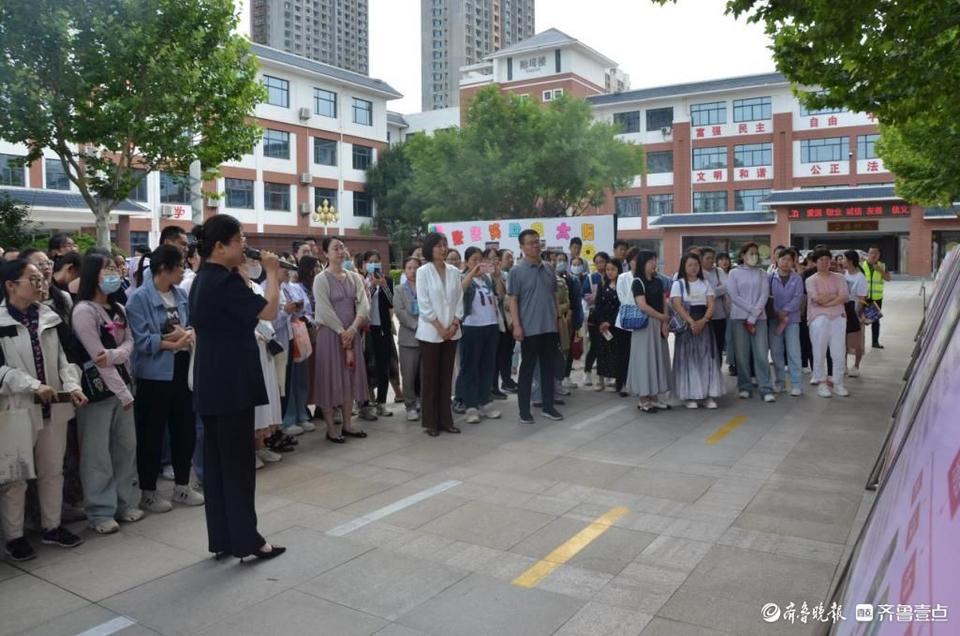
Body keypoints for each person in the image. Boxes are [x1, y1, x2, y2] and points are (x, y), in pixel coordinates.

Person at [188, 215, 285, 561]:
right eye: (239, 239)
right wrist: (272, 272)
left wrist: (245, 280)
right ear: (219, 246)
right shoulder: (224, 283)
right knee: (239, 468)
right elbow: (270, 311)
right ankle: (248, 541)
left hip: (212, 383)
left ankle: (224, 539)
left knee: (217, 468)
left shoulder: (204, 279)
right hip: (232, 385)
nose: (244, 245)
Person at [0, 260, 86, 561]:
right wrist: (32, 385)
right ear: (11, 285)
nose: (40, 284)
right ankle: (15, 536)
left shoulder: (48, 316)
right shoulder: (0, 320)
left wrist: (72, 385)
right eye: (32, 279)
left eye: (41, 279)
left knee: (53, 471)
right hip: (16, 408)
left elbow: (64, 359)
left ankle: (52, 527)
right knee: (16, 476)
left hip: (54, 406)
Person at [125, 245, 203, 513]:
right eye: (180, 266)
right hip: (153, 376)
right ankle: (148, 492)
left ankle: (183, 485)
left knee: (184, 430)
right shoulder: (139, 299)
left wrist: (184, 336)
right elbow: (142, 340)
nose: (184, 271)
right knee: (151, 434)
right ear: (163, 269)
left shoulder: (180, 294)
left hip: (182, 370)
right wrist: (173, 341)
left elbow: (191, 326)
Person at [71, 249, 139, 534]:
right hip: (98, 391)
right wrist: (115, 357)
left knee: (125, 448)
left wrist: (115, 354)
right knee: (96, 453)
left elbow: (129, 344)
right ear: (91, 274)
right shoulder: (83, 311)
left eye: (115, 269)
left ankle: (125, 503)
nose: (113, 274)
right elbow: (96, 358)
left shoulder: (119, 308)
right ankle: (100, 511)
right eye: (106, 269)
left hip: (125, 386)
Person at [312, 236, 371, 442]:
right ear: (325, 253)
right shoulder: (321, 279)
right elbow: (323, 309)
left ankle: (348, 424)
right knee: (329, 379)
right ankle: (330, 428)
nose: (340, 251)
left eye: (342, 247)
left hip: (351, 334)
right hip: (329, 335)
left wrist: (353, 329)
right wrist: (341, 331)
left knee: (349, 379)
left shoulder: (354, 277)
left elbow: (364, 304)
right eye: (335, 248)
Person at [509, 230, 563, 424]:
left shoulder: (549, 268)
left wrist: (557, 319)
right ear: (522, 247)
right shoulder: (517, 271)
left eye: (537, 242)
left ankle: (549, 407)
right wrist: (517, 326)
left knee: (549, 369)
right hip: (529, 328)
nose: (535, 246)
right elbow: (513, 300)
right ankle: (524, 410)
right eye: (530, 243)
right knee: (527, 370)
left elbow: (554, 295)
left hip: (549, 327)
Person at [416, 233, 464, 436]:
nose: (443, 249)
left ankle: (446, 420)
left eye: (445, 245)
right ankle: (431, 422)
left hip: (452, 332)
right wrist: (440, 327)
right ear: (429, 248)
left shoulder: (454, 271)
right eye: (438, 246)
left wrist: (453, 324)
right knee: (431, 378)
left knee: (446, 377)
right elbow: (424, 304)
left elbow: (459, 299)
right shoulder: (423, 271)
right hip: (431, 332)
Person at [670, 252, 724, 409]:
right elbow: (677, 305)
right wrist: (691, 322)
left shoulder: (705, 283)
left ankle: (707, 395)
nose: (693, 268)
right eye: (690, 265)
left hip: (705, 324)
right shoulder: (678, 284)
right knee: (688, 361)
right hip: (687, 325)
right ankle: (690, 396)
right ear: (684, 267)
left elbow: (711, 304)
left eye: (696, 264)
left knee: (706, 359)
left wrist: (704, 320)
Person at [456, 247, 503, 424]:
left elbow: (499, 294)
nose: (477, 263)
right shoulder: (462, 278)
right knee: (470, 367)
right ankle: (471, 405)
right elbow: (459, 292)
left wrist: (497, 276)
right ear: (467, 262)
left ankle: (485, 401)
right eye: (473, 260)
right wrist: (471, 273)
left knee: (487, 366)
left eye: (480, 260)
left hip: (490, 325)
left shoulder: (487, 279)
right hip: (471, 327)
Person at [727, 242, 775, 402]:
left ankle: (765, 387)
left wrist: (754, 315)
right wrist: (751, 310)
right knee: (742, 354)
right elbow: (734, 295)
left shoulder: (762, 273)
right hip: (739, 317)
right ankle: (744, 386)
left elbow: (764, 294)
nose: (754, 256)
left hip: (759, 319)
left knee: (761, 353)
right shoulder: (734, 273)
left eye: (756, 253)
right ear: (742, 255)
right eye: (750, 253)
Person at [626, 251, 672, 412]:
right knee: (644, 360)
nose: (654, 264)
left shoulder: (658, 281)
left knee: (658, 359)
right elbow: (643, 306)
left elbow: (663, 300)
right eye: (651, 261)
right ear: (643, 263)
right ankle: (643, 399)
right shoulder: (637, 282)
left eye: (655, 261)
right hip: (645, 326)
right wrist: (662, 317)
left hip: (659, 323)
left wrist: (665, 320)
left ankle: (654, 397)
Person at [280, 256, 318, 436]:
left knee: (301, 376)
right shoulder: (267, 287)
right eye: (282, 267)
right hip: (283, 338)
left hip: (300, 335)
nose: (287, 271)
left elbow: (308, 310)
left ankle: (302, 413)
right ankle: (288, 418)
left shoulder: (295, 288)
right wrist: (288, 312)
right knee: (288, 379)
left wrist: (304, 317)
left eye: (288, 267)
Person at [806, 249, 850, 398]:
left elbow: (844, 296)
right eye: (821, 260)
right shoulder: (811, 280)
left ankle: (838, 383)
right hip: (818, 318)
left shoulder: (840, 278)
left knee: (838, 352)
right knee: (819, 351)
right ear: (815, 262)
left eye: (827, 259)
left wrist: (826, 300)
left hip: (838, 317)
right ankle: (822, 383)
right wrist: (833, 296)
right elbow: (816, 299)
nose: (825, 262)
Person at [768, 249, 805, 396]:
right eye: (783, 259)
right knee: (776, 353)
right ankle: (780, 383)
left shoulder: (797, 278)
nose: (786, 263)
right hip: (774, 320)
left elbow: (798, 298)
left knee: (794, 352)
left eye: (789, 260)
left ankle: (796, 384)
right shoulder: (770, 277)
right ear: (777, 260)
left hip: (792, 320)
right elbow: (767, 296)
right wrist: (777, 312)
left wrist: (785, 311)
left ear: (793, 262)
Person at [363, 250, 394, 417]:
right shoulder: (361, 281)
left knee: (383, 365)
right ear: (365, 264)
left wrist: (383, 286)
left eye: (377, 261)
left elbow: (392, 303)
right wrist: (372, 287)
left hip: (382, 328)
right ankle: (365, 402)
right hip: (366, 329)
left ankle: (382, 402)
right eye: (371, 261)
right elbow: (360, 303)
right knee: (366, 366)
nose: (374, 264)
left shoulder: (387, 280)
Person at [394, 257, 422, 421]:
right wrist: (415, 325)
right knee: (409, 374)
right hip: (408, 338)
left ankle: (424, 402)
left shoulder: (425, 287)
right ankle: (410, 405)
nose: (413, 271)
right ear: (405, 270)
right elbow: (399, 311)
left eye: (416, 268)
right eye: (409, 268)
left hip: (427, 336)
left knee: (425, 374)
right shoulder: (399, 289)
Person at [591, 258, 625, 393]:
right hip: (602, 326)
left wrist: (610, 322)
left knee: (617, 353)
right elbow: (598, 305)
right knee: (602, 352)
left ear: (618, 270)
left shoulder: (622, 285)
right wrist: (601, 322)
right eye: (608, 269)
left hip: (617, 325)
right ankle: (600, 380)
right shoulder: (601, 285)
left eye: (613, 269)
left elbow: (621, 306)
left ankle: (619, 381)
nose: (610, 272)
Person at [614, 248, 641, 395]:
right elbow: (622, 298)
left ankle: (637, 384)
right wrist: (638, 305)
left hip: (642, 321)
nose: (637, 263)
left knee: (638, 355)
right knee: (623, 354)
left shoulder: (647, 277)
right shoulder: (623, 277)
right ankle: (622, 383)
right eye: (635, 260)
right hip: (625, 321)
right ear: (629, 261)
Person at [556, 252, 583, 391]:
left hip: (569, 320)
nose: (560, 262)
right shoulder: (550, 279)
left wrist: (573, 319)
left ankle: (565, 376)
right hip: (555, 320)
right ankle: (557, 380)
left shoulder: (573, 280)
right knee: (557, 351)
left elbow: (575, 302)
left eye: (563, 260)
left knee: (568, 349)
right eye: (558, 260)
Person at [582, 251, 609, 386]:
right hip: (594, 316)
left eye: (602, 261)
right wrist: (597, 296)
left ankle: (605, 374)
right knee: (595, 345)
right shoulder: (591, 278)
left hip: (608, 316)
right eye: (597, 262)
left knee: (607, 345)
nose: (599, 265)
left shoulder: (612, 277)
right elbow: (586, 295)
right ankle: (587, 371)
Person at [493, 248, 517, 395]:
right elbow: (501, 296)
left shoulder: (509, 275)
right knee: (497, 355)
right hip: (497, 322)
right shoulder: (491, 277)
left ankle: (507, 380)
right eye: (508, 257)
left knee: (508, 352)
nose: (511, 260)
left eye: (512, 257)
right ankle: (494, 385)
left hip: (509, 322)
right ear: (499, 260)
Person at [700, 248, 729, 368]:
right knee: (704, 348)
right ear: (701, 259)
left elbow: (727, 287)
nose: (711, 261)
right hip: (703, 316)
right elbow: (701, 292)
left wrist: (710, 293)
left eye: (712, 258)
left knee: (718, 346)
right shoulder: (698, 272)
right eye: (708, 258)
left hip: (719, 315)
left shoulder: (719, 271)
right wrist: (716, 290)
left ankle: (717, 372)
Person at [843, 250, 868, 377]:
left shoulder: (860, 277)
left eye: (844, 259)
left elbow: (862, 298)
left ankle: (856, 366)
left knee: (858, 341)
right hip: (844, 311)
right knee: (844, 340)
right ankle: (844, 365)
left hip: (856, 311)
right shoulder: (844, 274)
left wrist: (857, 315)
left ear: (850, 261)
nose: (842, 262)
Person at [861, 245, 890, 349]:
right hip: (863, 298)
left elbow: (888, 278)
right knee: (861, 320)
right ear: (868, 254)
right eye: (871, 253)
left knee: (875, 321)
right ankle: (860, 344)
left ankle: (875, 342)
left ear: (879, 255)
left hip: (877, 298)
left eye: (875, 253)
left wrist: (880, 270)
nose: (873, 255)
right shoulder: (861, 265)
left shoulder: (882, 266)